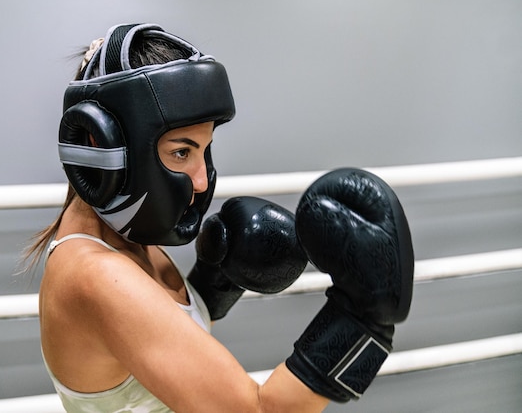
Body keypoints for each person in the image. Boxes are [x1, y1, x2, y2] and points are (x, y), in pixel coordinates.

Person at [23, 23, 414, 413]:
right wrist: (363, 319)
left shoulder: (127, 238)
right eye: (181, 152)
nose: (200, 179)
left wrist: (214, 285)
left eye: (204, 151)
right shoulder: (95, 276)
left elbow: (155, 337)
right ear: (100, 142)